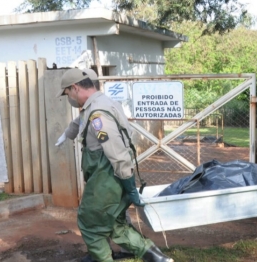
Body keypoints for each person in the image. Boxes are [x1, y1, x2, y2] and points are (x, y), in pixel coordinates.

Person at [55, 68, 172, 262]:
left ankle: (101, 257)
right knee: (116, 224)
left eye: (67, 93)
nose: (69, 97)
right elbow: (81, 119)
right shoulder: (102, 103)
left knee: (90, 223)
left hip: (108, 176)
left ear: (75, 88)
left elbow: (116, 153)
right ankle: (157, 258)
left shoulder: (98, 114)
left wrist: (129, 186)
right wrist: (68, 133)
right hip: (110, 175)